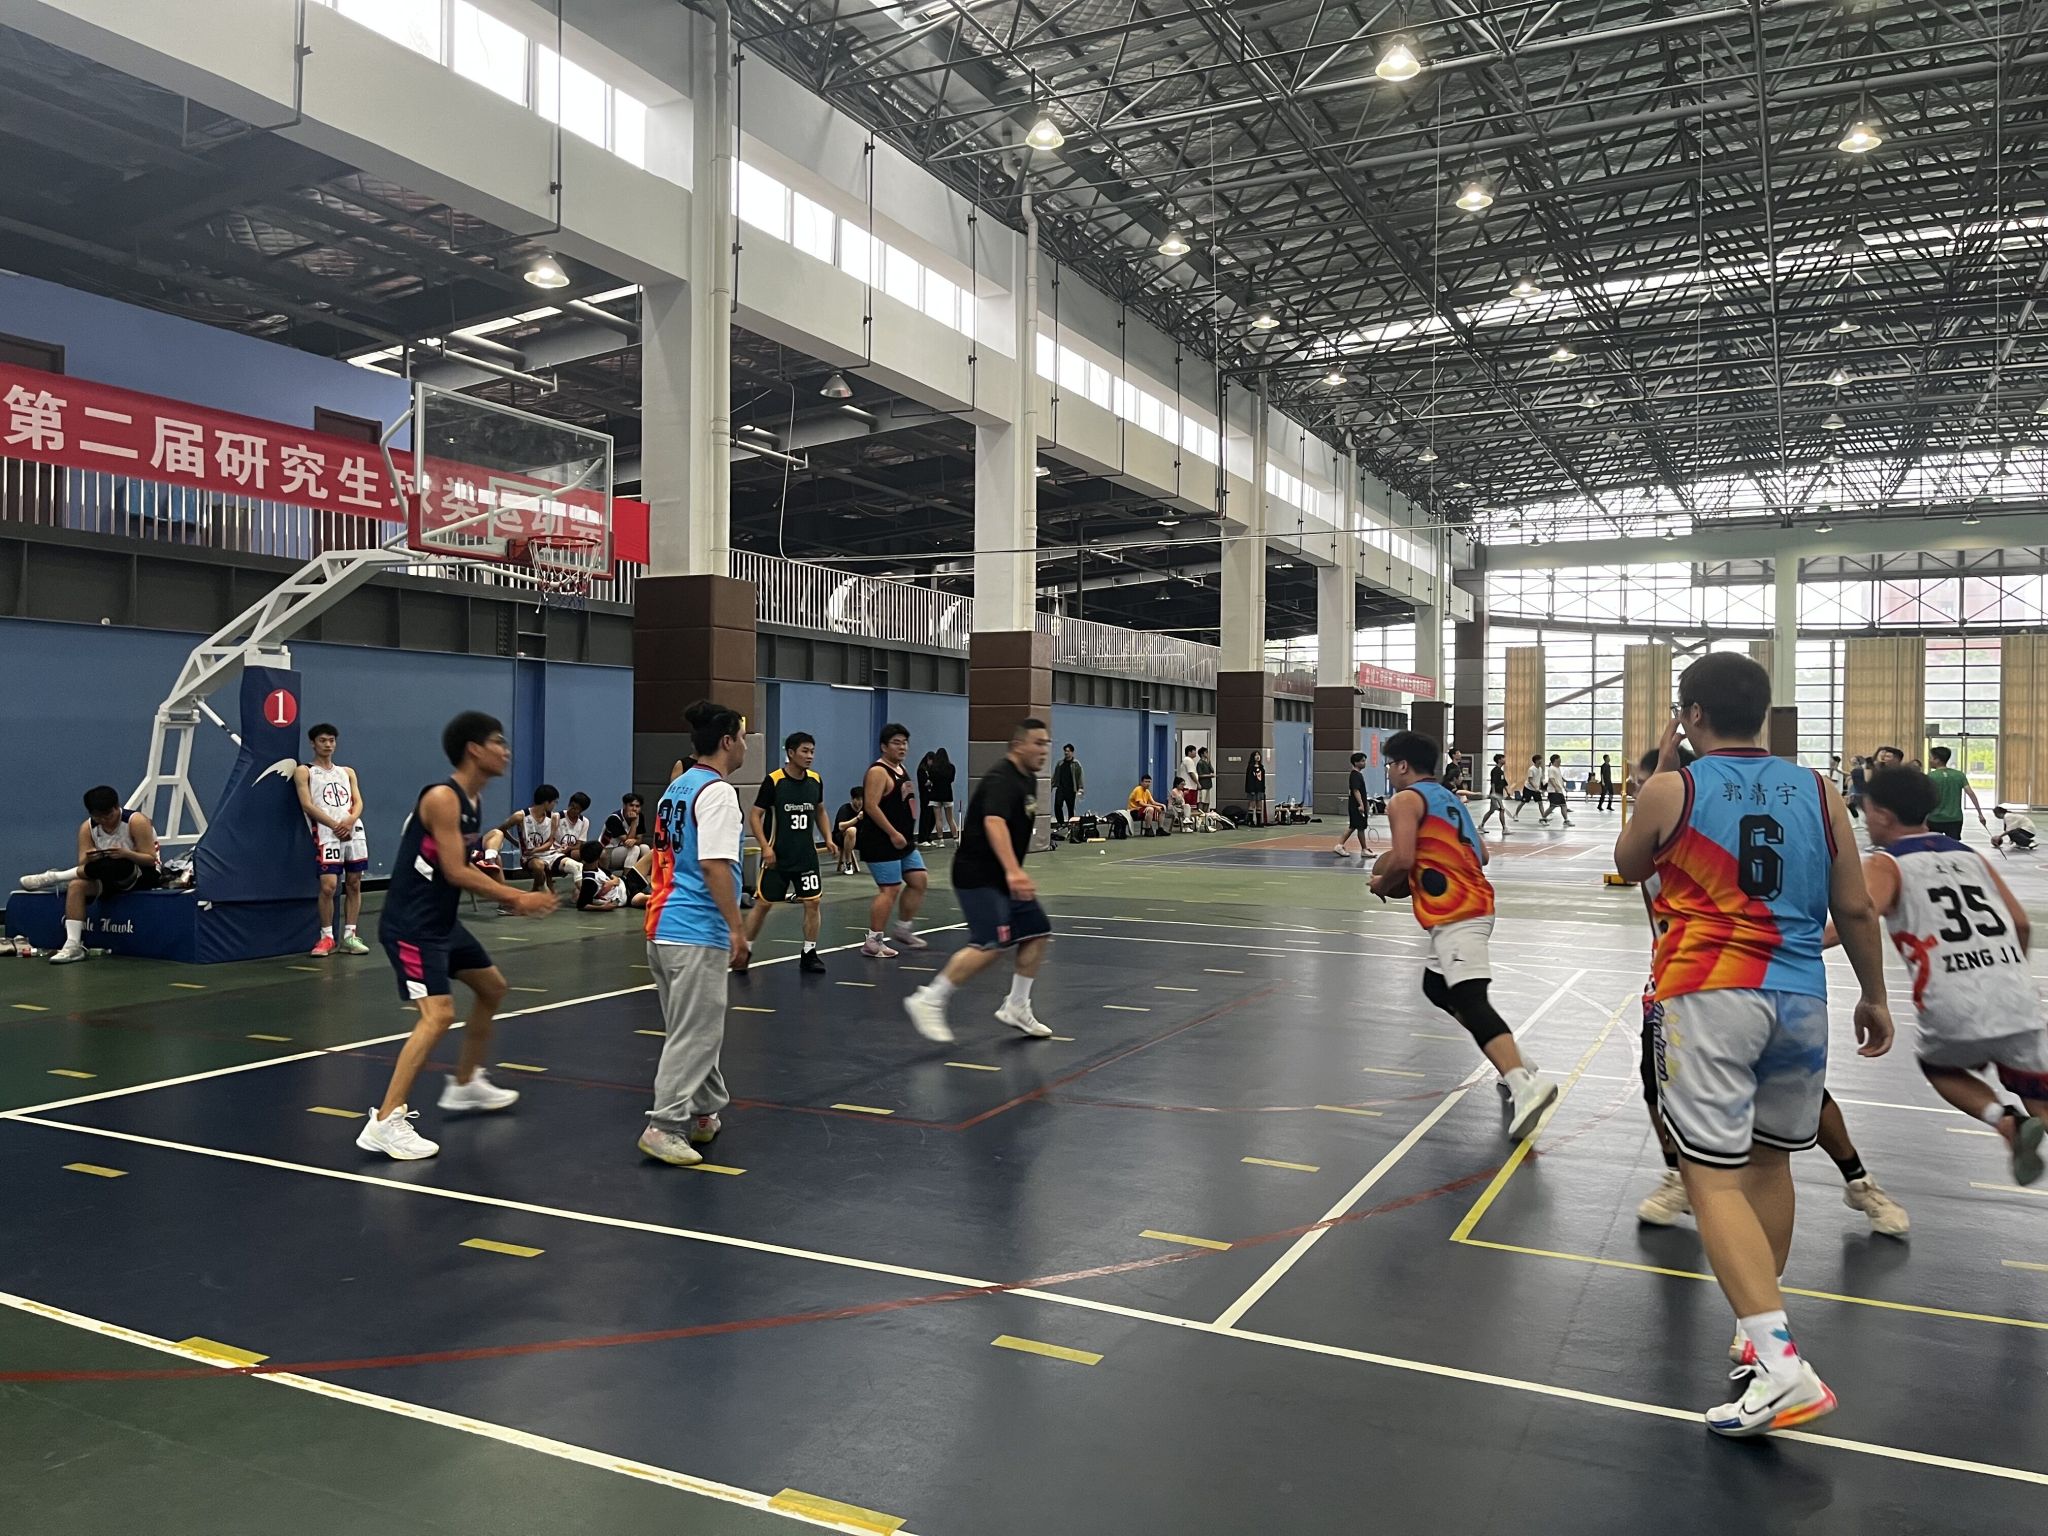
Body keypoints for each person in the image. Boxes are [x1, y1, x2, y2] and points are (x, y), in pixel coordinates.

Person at [1614, 653, 1893, 1437]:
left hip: (1709, 993)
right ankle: (1756, 1330)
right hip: (1800, 995)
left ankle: (1780, 1365)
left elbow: (1629, 864)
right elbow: (1855, 908)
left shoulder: (1674, 788)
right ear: (1764, 712)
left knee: (1710, 1176)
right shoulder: (1820, 791)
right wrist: (1874, 994)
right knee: (1771, 1164)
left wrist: (1660, 768)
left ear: (1693, 715)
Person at [1628, 748, 1908, 1240]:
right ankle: (1678, 1175)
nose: (1637, 789)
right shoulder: (1667, 826)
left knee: (1786, 1120)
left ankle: (1857, 1179)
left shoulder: (1685, 814)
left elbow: (1850, 903)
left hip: (1744, 979)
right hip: (1685, 981)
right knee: (1656, 1081)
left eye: (1642, 782)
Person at [357, 712, 555, 1161]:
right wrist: (516, 896)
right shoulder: (443, 798)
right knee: (438, 1015)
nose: (506, 750)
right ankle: (385, 1121)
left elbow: (457, 868)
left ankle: (465, 1083)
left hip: (442, 923)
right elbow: (454, 870)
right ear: (474, 749)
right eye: (498, 742)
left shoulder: (472, 801)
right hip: (412, 926)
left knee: (492, 987)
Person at [1844, 765, 2048, 1184]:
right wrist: (2006, 970)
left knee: (1940, 1067)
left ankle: (2003, 1120)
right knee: (2039, 1096)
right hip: (2015, 998)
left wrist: (1797, 942)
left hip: (1953, 1002)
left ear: (1881, 813)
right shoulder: (1969, 855)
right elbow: (2020, 923)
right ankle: (2025, 1119)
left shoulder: (1886, 863)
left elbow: (1859, 916)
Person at [1370, 730, 1559, 1139]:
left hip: (1457, 912)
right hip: (1477, 905)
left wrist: (1381, 884)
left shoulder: (1403, 801)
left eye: (1389, 765)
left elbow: (1402, 858)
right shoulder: (1449, 798)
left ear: (1402, 765)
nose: (1388, 772)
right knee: (1437, 987)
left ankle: (1524, 1084)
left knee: (1471, 1000)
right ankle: (1518, 1060)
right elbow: (1482, 855)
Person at [638, 701, 750, 1167]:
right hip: (696, 928)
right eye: (742, 737)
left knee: (692, 1027)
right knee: (696, 1033)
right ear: (726, 741)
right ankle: (664, 1126)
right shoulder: (718, 793)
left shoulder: (677, 787)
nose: (745, 746)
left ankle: (704, 1112)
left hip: (662, 927)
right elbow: (714, 866)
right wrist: (737, 929)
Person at [904, 718, 1058, 1044]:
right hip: (977, 875)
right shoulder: (1002, 778)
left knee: (1037, 931)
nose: (1044, 750)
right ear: (1018, 745)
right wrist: (1014, 871)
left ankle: (1017, 1006)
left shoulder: (1028, 779)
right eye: (1038, 743)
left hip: (1002, 877)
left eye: (1047, 743)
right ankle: (929, 999)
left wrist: (1011, 873)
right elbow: (994, 822)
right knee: (990, 944)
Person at [18, 787, 165, 964]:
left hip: (142, 873)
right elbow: (83, 863)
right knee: (77, 885)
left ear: (116, 807)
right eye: (98, 817)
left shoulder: (136, 821)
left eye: (108, 816)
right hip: (107, 875)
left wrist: (126, 853)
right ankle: (73, 945)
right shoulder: (87, 828)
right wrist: (92, 857)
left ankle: (56, 877)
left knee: (119, 864)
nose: (104, 821)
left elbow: (150, 859)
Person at [743, 731, 834, 974]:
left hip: (805, 856)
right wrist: (765, 846)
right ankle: (744, 950)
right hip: (778, 856)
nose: (810, 756)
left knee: (813, 902)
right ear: (791, 753)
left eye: (812, 751)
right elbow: (755, 815)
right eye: (805, 751)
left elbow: (820, 810)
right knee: (763, 904)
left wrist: (828, 837)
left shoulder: (815, 780)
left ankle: (809, 952)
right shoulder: (774, 781)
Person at [295, 723, 368, 957]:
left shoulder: (347, 772)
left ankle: (350, 936)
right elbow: (307, 805)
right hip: (327, 832)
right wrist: (335, 825)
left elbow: (358, 801)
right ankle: (326, 937)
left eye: (331, 740)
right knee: (329, 886)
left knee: (354, 882)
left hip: (353, 830)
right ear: (313, 743)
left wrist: (350, 820)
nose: (328, 745)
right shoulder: (305, 771)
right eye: (323, 740)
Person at [858, 723, 927, 957]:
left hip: (903, 841)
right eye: (896, 743)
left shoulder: (901, 768)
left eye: (904, 743)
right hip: (881, 841)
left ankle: (903, 929)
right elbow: (870, 805)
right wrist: (892, 833)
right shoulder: (879, 772)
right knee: (890, 889)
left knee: (918, 880)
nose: (902, 747)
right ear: (884, 747)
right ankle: (873, 941)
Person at [1923, 745, 1987, 841]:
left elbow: (1925, 799)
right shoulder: (1959, 775)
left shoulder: (1930, 776)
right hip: (1955, 819)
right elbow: (1970, 793)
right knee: (1953, 846)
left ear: (1937, 760)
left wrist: (1922, 820)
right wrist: (1980, 813)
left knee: (1934, 845)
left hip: (1935, 819)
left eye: (1930, 758)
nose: (1929, 760)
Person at [577, 845, 654, 911]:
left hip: (627, 881)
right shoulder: (589, 881)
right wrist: (602, 908)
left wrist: (611, 882)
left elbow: (616, 879)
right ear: (598, 856)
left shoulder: (597, 867)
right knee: (651, 899)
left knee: (653, 852)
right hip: (629, 897)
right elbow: (581, 905)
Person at [1334, 751, 1372, 857]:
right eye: (1362, 761)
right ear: (1356, 762)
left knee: (1359, 827)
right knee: (1354, 826)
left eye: (1365, 761)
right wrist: (1361, 805)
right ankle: (1339, 845)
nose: (1364, 763)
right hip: (1356, 806)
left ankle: (1364, 849)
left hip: (1359, 805)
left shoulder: (1358, 775)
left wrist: (1365, 804)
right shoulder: (1355, 775)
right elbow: (1356, 790)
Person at [600, 793, 644, 872]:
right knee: (634, 848)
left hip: (624, 850)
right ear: (624, 806)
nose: (634, 809)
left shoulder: (640, 817)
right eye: (631, 805)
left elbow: (639, 839)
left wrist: (635, 841)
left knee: (645, 848)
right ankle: (627, 878)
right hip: (607, 852)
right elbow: (628, 842)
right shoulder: (614, 818)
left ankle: (645, 876)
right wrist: (634, 822)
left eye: (637, 806)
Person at [1051, 743, 1084, 827]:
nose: (1066, 753)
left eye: (1068, 751)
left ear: (1072, 752)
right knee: (1057, 806)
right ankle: (1061, 823)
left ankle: (1071, 825)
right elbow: (1055, 776)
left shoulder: (1076, 764)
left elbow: (1080, 777)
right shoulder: (1060, 763)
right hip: (1061, 789)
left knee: (1070, 808)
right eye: (1065, 751)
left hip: (1071, 790)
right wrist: (1051, 785)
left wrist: (1080, 788)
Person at [1478, 754, 1510, 838]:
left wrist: (1507, 792)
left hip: (1499, 794)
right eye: (1503, 758)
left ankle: (1481, 825)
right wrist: (1494, 793)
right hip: (1495, 794)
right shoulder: (1495, 770)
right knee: (1502, 809)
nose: (1505, 760)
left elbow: (1503, 782)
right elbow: (1493, 782)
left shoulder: (1501, 771)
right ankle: (1504, 828)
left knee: (1491, 810)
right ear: (1499, 760)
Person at [834, 786, 864, 873]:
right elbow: (841, 826)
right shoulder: (845, 809)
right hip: (841, 838)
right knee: (852, 830)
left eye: (862, 799)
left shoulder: (865, 809)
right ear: (852, 799)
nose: (860, 802)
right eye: (858, 799)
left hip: (859, 838)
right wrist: (857, 818)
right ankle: (848, 864)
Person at [931, 748, 959, 842]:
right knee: (950, 818)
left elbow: (931, 779)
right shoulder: (951, 767)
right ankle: (955, 838)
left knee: (938, 819)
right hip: (947, 794)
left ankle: (941, 840)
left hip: (935, 794)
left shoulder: (933, 767)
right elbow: (951, 780)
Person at [1544, 753, 1575, 827]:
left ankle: (1566, 820)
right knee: (1553, 806)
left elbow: (1559, 779)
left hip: (1559, 791)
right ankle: (1543, 818)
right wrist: (1556, 788)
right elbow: (1551, 779)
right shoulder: (1551, 768)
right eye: (1559, 760)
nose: (1560, 761)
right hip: (1553, 791)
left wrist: (1563, 787)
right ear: (1555, 760)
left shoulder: (1557, 768)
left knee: (1563, 805)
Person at [915, 752, 939, 845]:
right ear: (928, 759)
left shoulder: (930, 769)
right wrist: (932, 780)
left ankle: (928, 836)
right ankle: (922, 838)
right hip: (925, 796)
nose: (932, 763)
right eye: (932, 761)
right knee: (925, 817)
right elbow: (924, 783)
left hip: (932, 796)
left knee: (932, 817)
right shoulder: (922, 770)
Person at [1513, 755, 1543, 821]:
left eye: (1541, 759)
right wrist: (1535, 788)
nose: (1541, 761)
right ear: (1536, 761)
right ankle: (1516, 814)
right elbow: (1530, 780)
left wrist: (1539, 787)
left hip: (1536, 789)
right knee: (1523, 802)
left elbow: (1539, 779)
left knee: (1540, 803)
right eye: (1540, 759)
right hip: (1528, 789)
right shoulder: (1531, 769)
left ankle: (1544, 817)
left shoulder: (1540, 769)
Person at [1245, 751, 1269, 825]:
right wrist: (1250, 789)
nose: (1258, 756)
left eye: (1258, 755)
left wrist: (1263, 789)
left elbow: (1263, 779)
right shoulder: (1250, 767)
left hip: (1260, 788)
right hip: (1252, 789)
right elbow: (1249, 779)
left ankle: (1259, 821)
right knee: (1252, 804)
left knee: (1259, 805)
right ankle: (1251, 821)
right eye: (1256, 755)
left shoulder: (1261, 767)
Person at [1196, 747, 1216, 813]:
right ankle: (1200, 815)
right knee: (1202, 801)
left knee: (1207, 802)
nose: (1207, 754)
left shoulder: (1206, 762)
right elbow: (1200, 775)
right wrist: (1210, 776)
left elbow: (1212, 770)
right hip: (1202, 785)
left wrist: (1209, 761)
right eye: (1206, 752)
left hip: (1208, 785)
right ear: (1202, 754)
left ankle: (1205, 814)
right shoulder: (1200, 763)